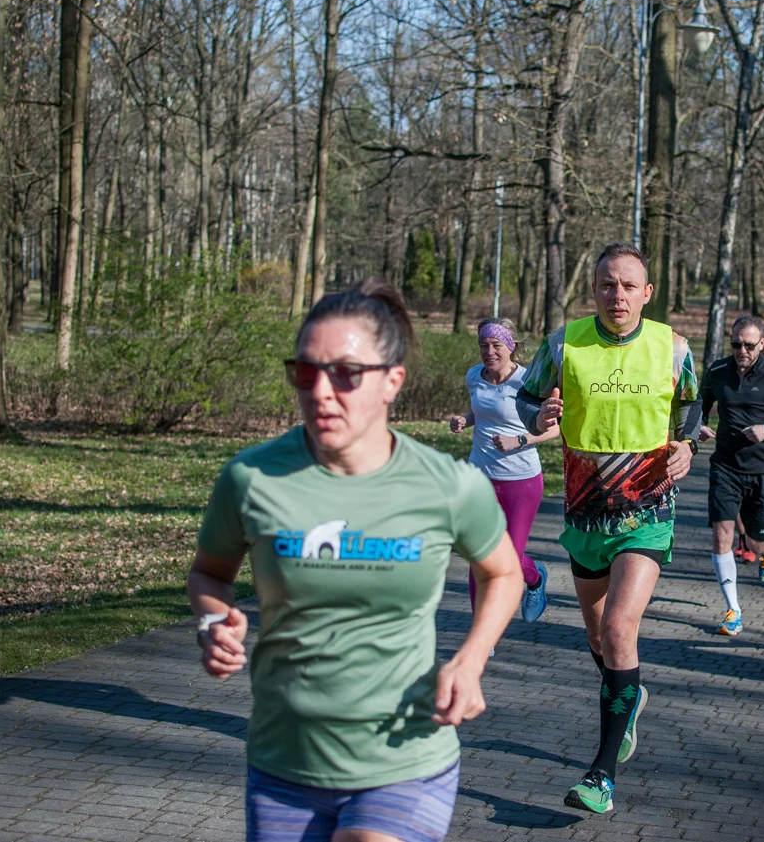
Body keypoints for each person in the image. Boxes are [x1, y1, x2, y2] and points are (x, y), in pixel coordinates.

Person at [188, 279, 525, 842]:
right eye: (305, 372)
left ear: (393, 380)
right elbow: (209, 572)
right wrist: (212, 618)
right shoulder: (251, 479)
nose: (321, 391)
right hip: (284, 760)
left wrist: (470, 662)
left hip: (406, 754)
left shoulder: (447, 485)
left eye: (345, 373)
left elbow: (504, 572)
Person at [516, 243, 701, 815]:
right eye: (606, 285)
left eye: (627, 286)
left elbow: (691, 407)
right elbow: (525, 399)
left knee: (620, 629)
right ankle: (630, 693)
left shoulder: (673, 347)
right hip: (585, 511)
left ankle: (601, 775)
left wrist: (687, 445)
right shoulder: (562, 343)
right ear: (594, 289)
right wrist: (538, 415)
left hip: (647, 510)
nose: (616, 295)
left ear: (647, 293)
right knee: (599, 640)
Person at [448, 318, 557, 629]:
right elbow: (481, 411)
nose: (489, 351)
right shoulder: (474, 376)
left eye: (496, 345)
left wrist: (519, 439)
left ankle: (534, 578)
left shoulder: (528, 382)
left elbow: (554, 430)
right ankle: (482, 633)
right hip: (479, 476)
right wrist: (464, 420)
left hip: (521, 480)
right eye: (483, 345)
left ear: (510, 347)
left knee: (507, 556)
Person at [697, 315, 764, 637]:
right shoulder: (718, 371)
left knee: (755, 539)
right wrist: (697, 427)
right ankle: (733, 610)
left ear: (762, 344)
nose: (742, 351)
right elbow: (698, 405)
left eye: (748, 345)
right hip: (725, 465)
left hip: (763, 467)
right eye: (736, 344)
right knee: (722, 534)